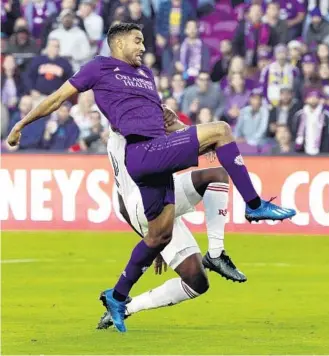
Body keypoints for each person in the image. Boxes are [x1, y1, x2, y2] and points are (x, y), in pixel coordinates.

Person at [7, 23, 296, 332]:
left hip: (158, 175)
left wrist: (199, 140)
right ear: (118, 44)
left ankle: (120, 299)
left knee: (193, 272)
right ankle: (251, 207)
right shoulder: (104, 84)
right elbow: (58, 98)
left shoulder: (146, 78)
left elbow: (165, 120)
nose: (143, 47)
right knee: (222, 128)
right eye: (138, 41)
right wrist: (21, 124)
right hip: (140, 172)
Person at [96, 129, 246, 330]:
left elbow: (173, 137)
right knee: (216, 175)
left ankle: (126, 308)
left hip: (159, 201)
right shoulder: (125, 123)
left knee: (197, 281)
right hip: (143, 203)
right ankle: (216, 253)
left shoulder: (141, 119)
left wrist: (157, 237)